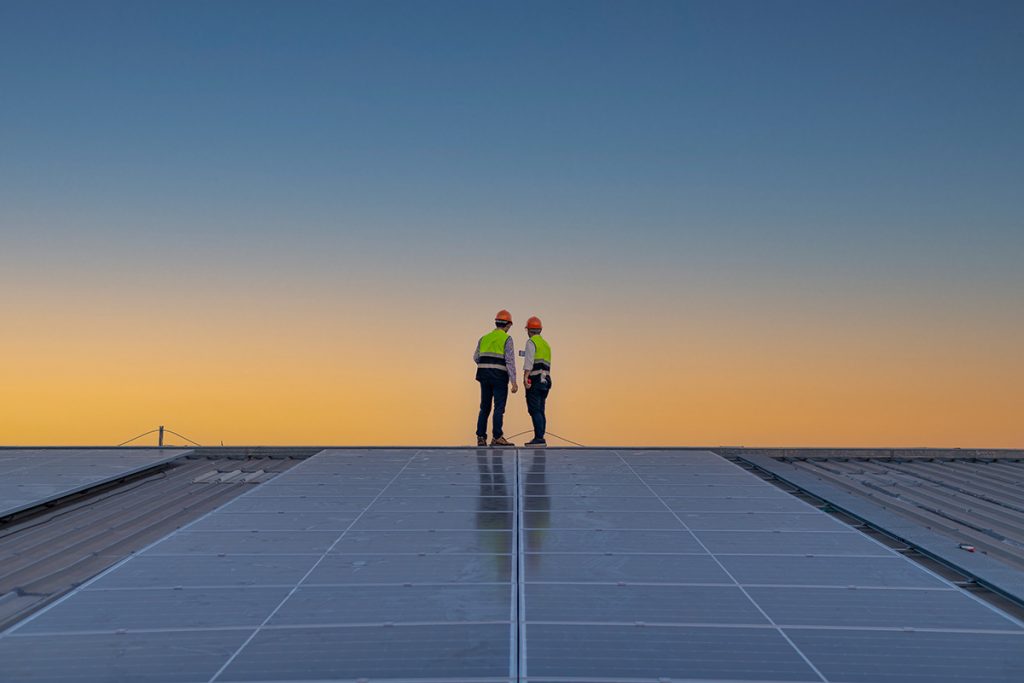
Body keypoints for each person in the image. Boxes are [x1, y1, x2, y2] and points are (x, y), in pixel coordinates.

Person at [474, 309, 518, 447]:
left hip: (484, 375)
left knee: (484, 407)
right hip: (499, 377)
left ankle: (481, 437)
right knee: (499, 407)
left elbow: (476, 357)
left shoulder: (484, 338)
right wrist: (514, 382)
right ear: (508, 324)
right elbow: (510, 361)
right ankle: (497, 437)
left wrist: (487, 365)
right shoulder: (507, 339)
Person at [522, 316, 551, 447]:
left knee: (534, 409)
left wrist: (525, 378)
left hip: (535, 379)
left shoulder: (531, 342)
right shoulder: (546, 345)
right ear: (540, 330)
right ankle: (541, 436)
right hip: (546, 380)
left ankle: (539, 438)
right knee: (541, 409)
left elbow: (529, 362)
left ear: (529, 330)